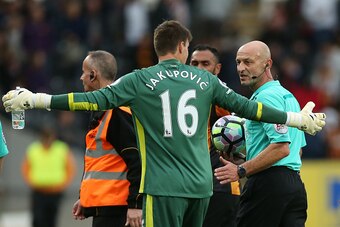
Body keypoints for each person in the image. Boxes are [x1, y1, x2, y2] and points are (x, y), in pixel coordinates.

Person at [3, 20, 325, 227]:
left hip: (163, 188)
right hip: (201, 187)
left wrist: (37, 99)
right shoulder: (205, 80)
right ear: (183, 46)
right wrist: (297, 119)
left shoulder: (139, 80)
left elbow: (92, 100)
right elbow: (250, 109)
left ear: (158, 49)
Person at [215, 40, 310, 227]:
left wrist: (241, 170)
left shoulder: (266, 97)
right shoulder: (287, 95)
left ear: (268, 64)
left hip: (268, 185)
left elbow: (281, 148)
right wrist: (246, 158)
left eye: (248, 62)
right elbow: (296, 151)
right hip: (294, 186)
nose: (241, 68)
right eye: (238, 62)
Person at [71, 50, 143, 227]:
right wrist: (85, 199)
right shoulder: (105, 112)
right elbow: (100, 164)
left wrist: (135, 205)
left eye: (84, 72)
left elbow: (137, 161)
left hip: (118, 211)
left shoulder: (117, 112)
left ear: (93, 75)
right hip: (106, 208)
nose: (81, 77)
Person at [190, 44, 240, 227]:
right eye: (194, 63)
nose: (199, 69)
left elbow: (240, 131)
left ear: (217, 69)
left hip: (219, 185)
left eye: (205, 64)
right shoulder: (182, 95)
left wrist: (238, 159)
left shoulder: (220, 94)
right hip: (193, 184)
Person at [22, 126, 76, 227]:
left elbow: (70, 168)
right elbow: (26, 167)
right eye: (45, 137)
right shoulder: (34, 149)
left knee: (51, 219)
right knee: (37, 219)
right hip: (39, 191)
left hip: (55, 191)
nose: (47, 140)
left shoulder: (61, 149)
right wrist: (31, 182)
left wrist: (63, 184)